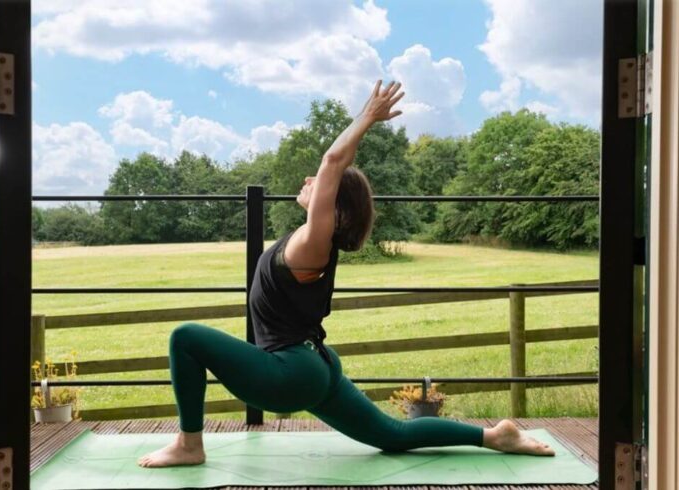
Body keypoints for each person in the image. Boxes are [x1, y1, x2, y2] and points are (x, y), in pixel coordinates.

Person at [138, 80, 555, 468]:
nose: (311, 182)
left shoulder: (313, 244)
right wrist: (317, 199)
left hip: (287, 373)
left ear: (332, 208)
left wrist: (367, 117)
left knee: (185, 337)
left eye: (320, 185)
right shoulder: (313, 242)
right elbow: (326, 186)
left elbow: (334, 159)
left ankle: (189, 444)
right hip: (316, 366)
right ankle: (495, 436)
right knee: (392, 434)